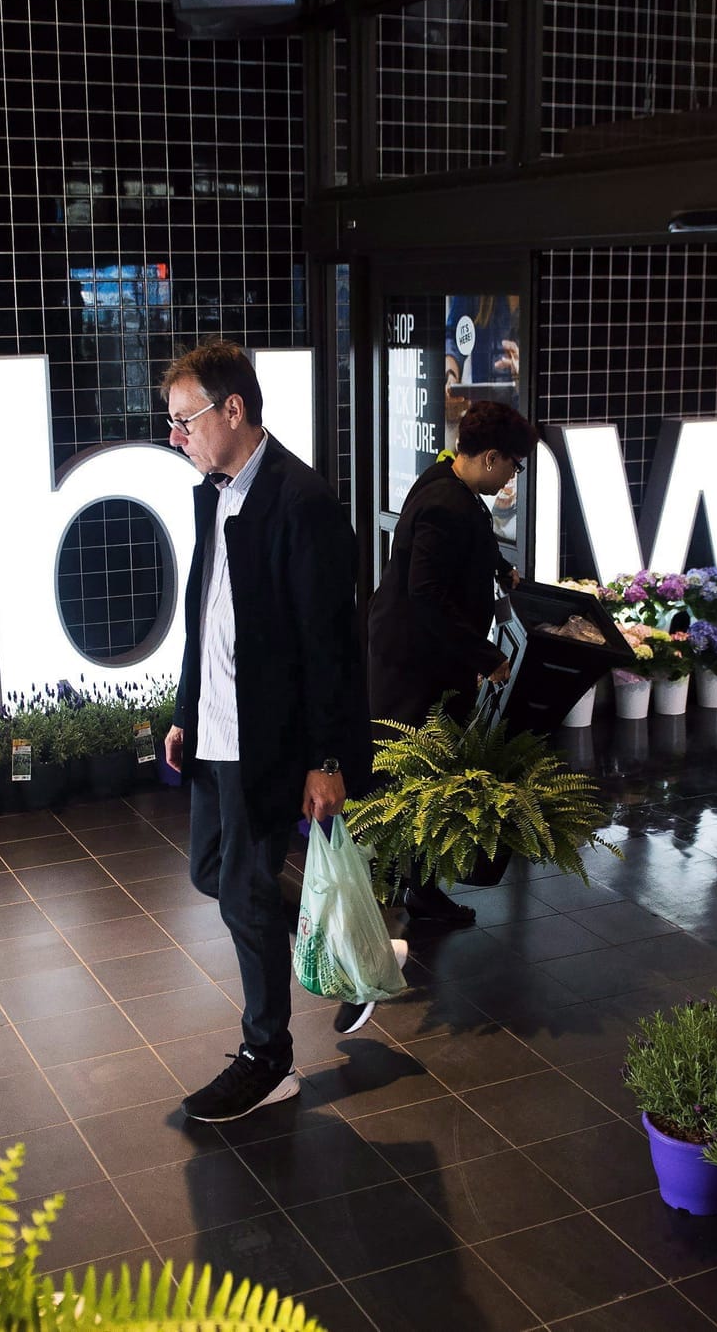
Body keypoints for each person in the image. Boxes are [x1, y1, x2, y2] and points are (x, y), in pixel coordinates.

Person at [160, 338, 371, 1124]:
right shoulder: (214, 491)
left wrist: (328, 758)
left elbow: (330, 649)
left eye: (185, 421)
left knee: (246, 892)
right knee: (212, 873)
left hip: (270, 737)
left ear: (234, 410)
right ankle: (350, 951)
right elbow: (205, 616)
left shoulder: (301, 501)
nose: (176, 437)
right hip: (215, 726)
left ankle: (268, 1054)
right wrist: (187, 709)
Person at [366, 400, 538, 926]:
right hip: (417, 665)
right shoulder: (447, 501)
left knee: (418, 775)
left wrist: (496, 567)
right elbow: (427, 594)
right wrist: (488, 658)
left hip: (411, 655)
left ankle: (409, 886)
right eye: (514, 464)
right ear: (490, 457)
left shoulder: (444, 477)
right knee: (419, 777)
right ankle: (408, 890)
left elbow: (468, 535)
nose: (513, 475)